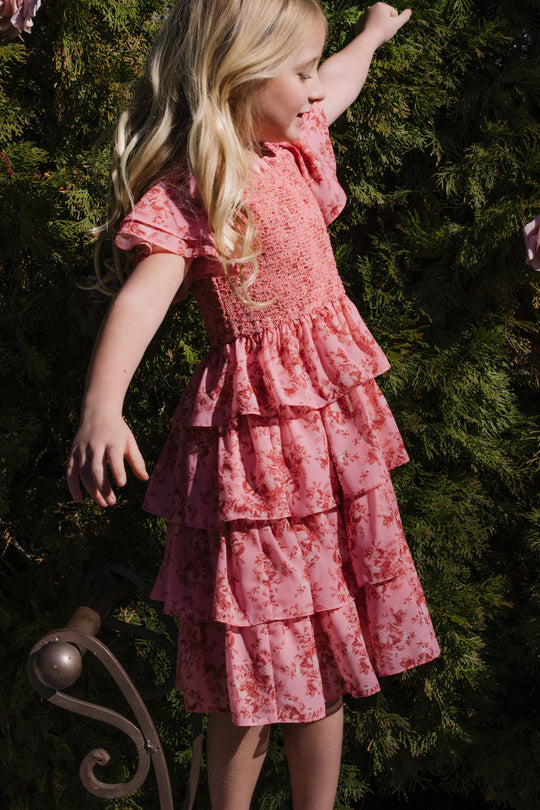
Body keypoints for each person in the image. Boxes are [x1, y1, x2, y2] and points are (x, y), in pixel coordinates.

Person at [67, 2, 440, 808]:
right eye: (298, 72)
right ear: (240, 77)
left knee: (326, 643)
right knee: (249, 651)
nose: (315, 89)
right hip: (257, 465)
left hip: (328, 456)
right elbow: (143, 300)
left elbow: (339, 80)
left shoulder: (295, 142)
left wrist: (372, 36)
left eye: (311, 70)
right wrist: (102, 407)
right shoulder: (201, 189)